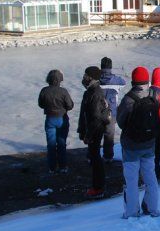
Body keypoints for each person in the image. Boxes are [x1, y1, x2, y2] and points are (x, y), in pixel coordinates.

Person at [117, 66, 160, 218]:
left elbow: (121, 122)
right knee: (150, 176)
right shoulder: (154, 95)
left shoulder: (128, 99)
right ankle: (152, 208)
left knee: (131, 181)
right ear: (147, 80)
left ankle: (131, 212)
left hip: (131, 146)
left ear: (133, 81)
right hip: (149, 143)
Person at [77, 66, 111, 198]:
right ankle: (97, 185)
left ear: (92, 78)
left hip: (95, 130)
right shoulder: (91, 92)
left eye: (86, 76)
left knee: (95, 158)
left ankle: (98, 187)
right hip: (93, 129)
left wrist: (89, 135)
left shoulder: (95, 93)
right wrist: (82, 130)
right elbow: (85, 114)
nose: (84, 78)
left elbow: (96, 117)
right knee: (94, 157)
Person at [38, 69, 74, 174]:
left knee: (51, 144)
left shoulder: (44, 90)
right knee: (62, 143)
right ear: (60, 80)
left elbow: (40, 104)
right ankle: (63, 166)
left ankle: (52, 167)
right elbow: (70, 105)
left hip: (50, 119)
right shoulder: (63, 91)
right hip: (62, 118)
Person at [98, 56, 126, 163]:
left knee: (96, 135)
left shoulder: (97, 79)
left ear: (101, 67)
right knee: (109, 136)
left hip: (98, 111)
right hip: (112, 112)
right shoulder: (116, 80)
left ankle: (93, 155)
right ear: (111, 67)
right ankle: (108, 156)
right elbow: (124, 82)